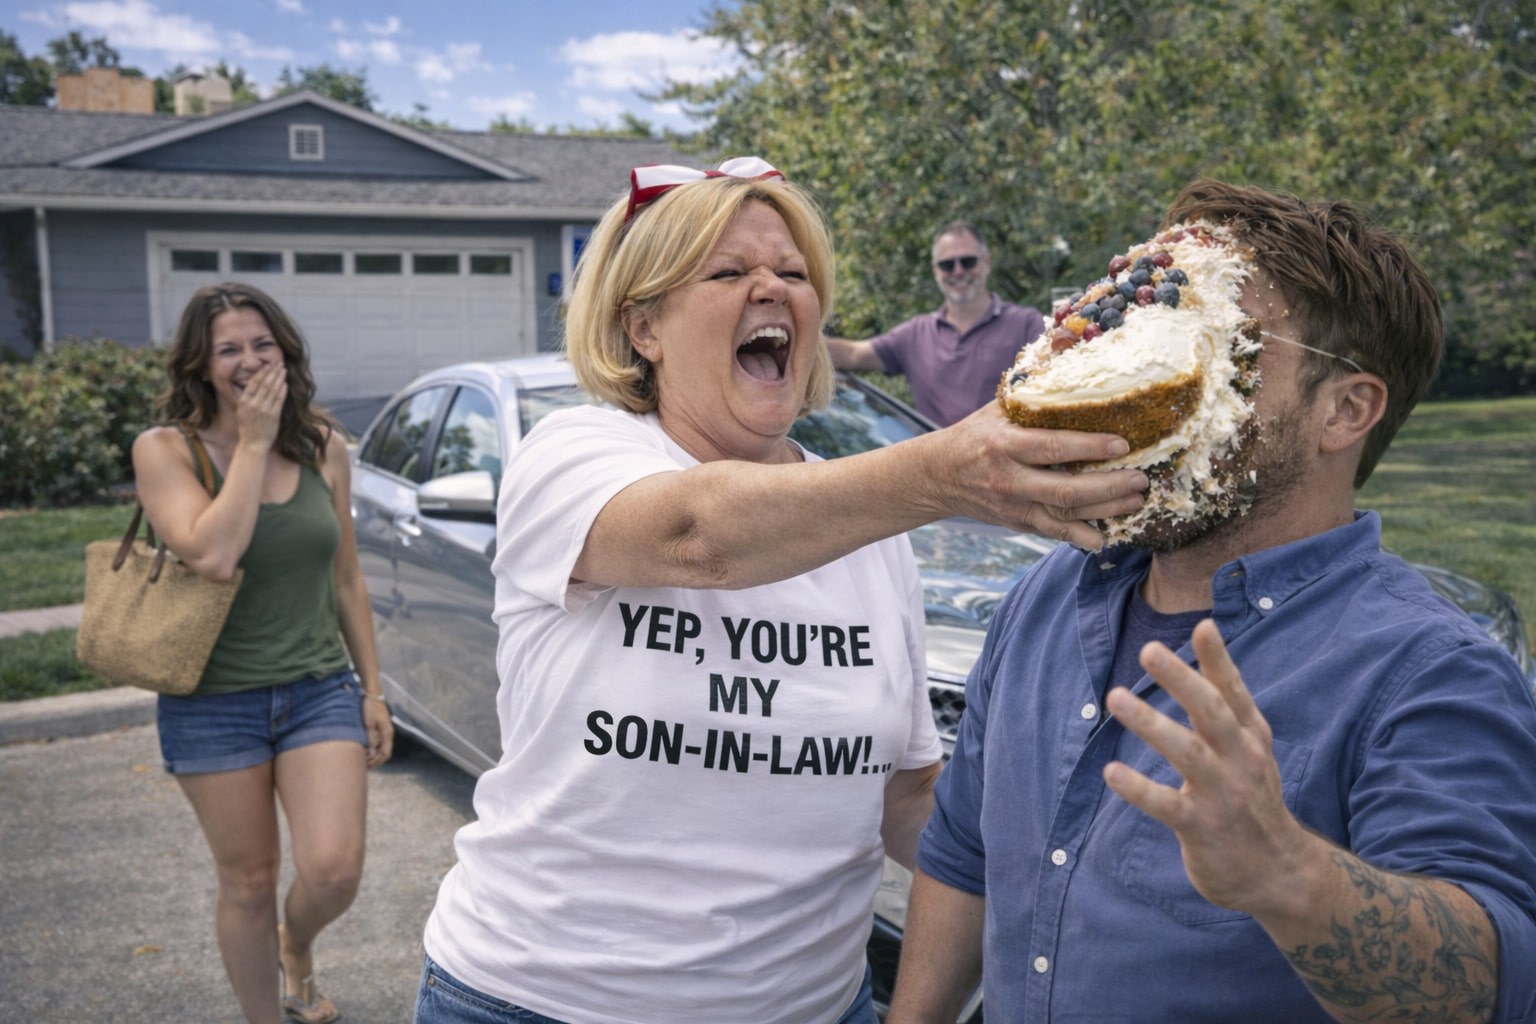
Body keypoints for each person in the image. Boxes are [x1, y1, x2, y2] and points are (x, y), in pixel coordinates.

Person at [412, 158, 1148, 1024]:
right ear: (642, 325)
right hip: (538, 1002)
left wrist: (1098, 874)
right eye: (728, 273)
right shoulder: (573, 454)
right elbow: (697, 537)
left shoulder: (874, 544)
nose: (772, 288)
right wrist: (942, 475)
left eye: (793, 274)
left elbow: (907, 797)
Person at [888, 180, 1536, 1023]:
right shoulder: (1046, 594)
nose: (1154, 372)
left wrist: (1288, 877)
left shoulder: (1428, 670)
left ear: (1345, 410)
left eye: (1219, 346)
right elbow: (965, 853)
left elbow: (1484, 988)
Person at [132, 282, 394, 1024]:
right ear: (200, 364)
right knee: (247, 880)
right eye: (229, 349)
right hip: (213, 702)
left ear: (285, 351)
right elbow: (213, 554)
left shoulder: (321, 447)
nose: (249, 361)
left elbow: (346, 576)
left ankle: (297, 945)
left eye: (262, 344)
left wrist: (372, 690)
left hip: (317, 690)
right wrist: (249, 442)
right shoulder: (165, 450)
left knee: (334, 871)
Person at [824, 221, 1044, 427]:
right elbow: (855, 354)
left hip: (1007, 463)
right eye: (947, 265)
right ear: (936, 271)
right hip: (937, 466)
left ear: (986, 262)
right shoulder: (916, 335)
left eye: (967, 261)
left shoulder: (1026, 325)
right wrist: (798, 338)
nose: (958, 271)